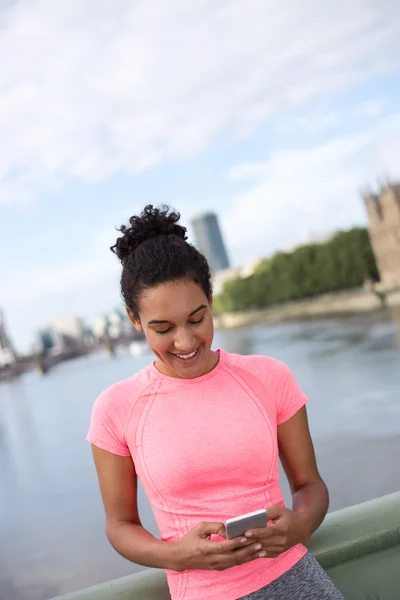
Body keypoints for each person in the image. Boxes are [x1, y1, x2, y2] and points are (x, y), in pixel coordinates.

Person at [86, 205, 344, 600]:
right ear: (135, 320)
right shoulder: (115, 408)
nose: (186, 342)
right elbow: (120, 526)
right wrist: (179, 556)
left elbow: (310, 485)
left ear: (210, 298)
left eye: (196, 318)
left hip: (299, 582)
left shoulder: (269, 376)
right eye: (162, 328)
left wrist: (299, 525)